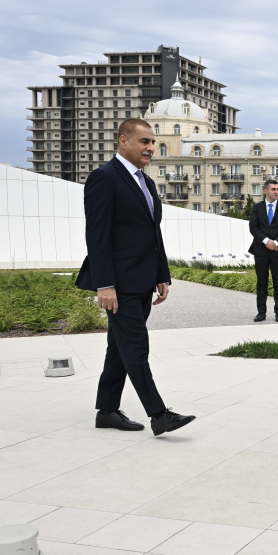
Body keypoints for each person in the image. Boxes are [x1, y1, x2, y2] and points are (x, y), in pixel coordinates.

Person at [76, 119, 195, 437]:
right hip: (119, 283)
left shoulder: (147, 183)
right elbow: (97, 235)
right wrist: (104, 284)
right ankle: (159, 414)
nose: (150, 148)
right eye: (144, 141)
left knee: (120, 347)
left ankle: (107, 411)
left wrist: (161, 274)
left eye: (152, 142)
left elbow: (152, 232)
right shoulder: (104, 178)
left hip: (143, 279)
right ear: (123, 141)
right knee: (136, 346)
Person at [249, 179, 278, 322]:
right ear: (265, 191)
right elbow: (253, 228)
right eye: (273, 189)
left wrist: (276, 243)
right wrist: (267, 242)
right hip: (261, 250)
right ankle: (261, 313)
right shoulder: (257, 208)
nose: (276, 192)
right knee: (262, 283)